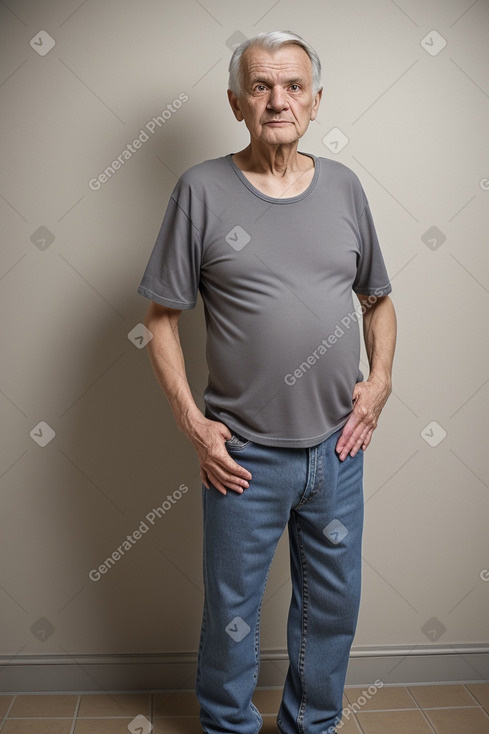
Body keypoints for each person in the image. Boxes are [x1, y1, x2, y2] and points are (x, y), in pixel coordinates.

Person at [138, 30, 397, 734]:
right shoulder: (200, 189)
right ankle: (226, 727)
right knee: (231, 615)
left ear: (314, 101)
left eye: (291, 86)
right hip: (242, 456)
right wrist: (195, 425)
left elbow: (377, 299)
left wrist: (379, 382)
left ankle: (311, 726)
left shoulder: (343, 186)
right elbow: (159, 321)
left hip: (336, 452)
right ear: (235, 103)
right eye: (259, 86)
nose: (276, 99)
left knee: (332, 608)